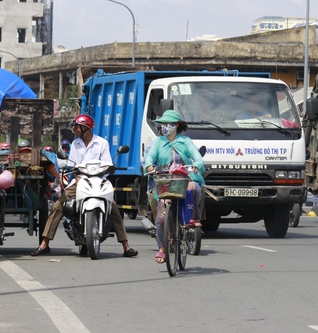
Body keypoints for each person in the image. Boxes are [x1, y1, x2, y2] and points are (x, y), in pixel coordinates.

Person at [31, 114, 138, 257]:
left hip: (100, 181)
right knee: (58, 206)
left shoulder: (102, 143)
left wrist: (109, 169)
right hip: (79, 182)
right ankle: (44, 244)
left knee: (113, 207)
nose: (75, 130)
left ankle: (126, 246)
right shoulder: (75, 144)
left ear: (85, 128)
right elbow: (73, 166)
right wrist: (77, 177)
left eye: (77, 127)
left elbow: (107, 164)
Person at [143, 110, 205, 264]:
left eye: (168, 124)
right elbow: (149, 158)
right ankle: (163, 248)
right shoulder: (158, 142)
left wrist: (197, 165)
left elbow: (197, 157)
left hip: (184, 179)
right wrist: (149, 166)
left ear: (176, 125)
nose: (165, 127)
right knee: (161, 217)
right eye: (162, 124)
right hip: (165, 182)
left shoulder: (186, 141)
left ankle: (193, 217)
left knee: (195, 188)